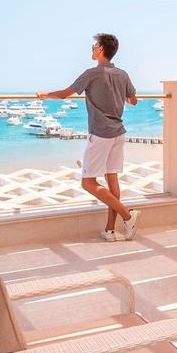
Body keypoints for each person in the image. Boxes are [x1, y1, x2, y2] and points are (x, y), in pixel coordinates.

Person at [37, 33, 140, 241]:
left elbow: (64, 94)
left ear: (101, 49)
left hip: (101, 134)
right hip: (118, 133)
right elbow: (133, 100)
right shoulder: (122, 74)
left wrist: (45, 94)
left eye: (94, 46)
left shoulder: (91, 74)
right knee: (111, 178)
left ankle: (128, 215)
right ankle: (110, 230)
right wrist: (116, 95)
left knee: (88, 183)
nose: (92, 49)